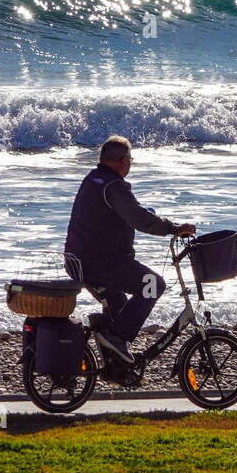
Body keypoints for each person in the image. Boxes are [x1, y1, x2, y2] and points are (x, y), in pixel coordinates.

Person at [64, 135, 195, 364]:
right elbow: (139, 219)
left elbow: (120, 215)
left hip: (79, 262)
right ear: (123, 161)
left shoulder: (93, 179)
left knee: (120, 309)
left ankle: (115, 365)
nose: (130, 165)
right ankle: (114, 339)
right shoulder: (113, 186)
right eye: (130, 160)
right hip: (102, 264)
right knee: (154, 284)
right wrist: (174, 228)